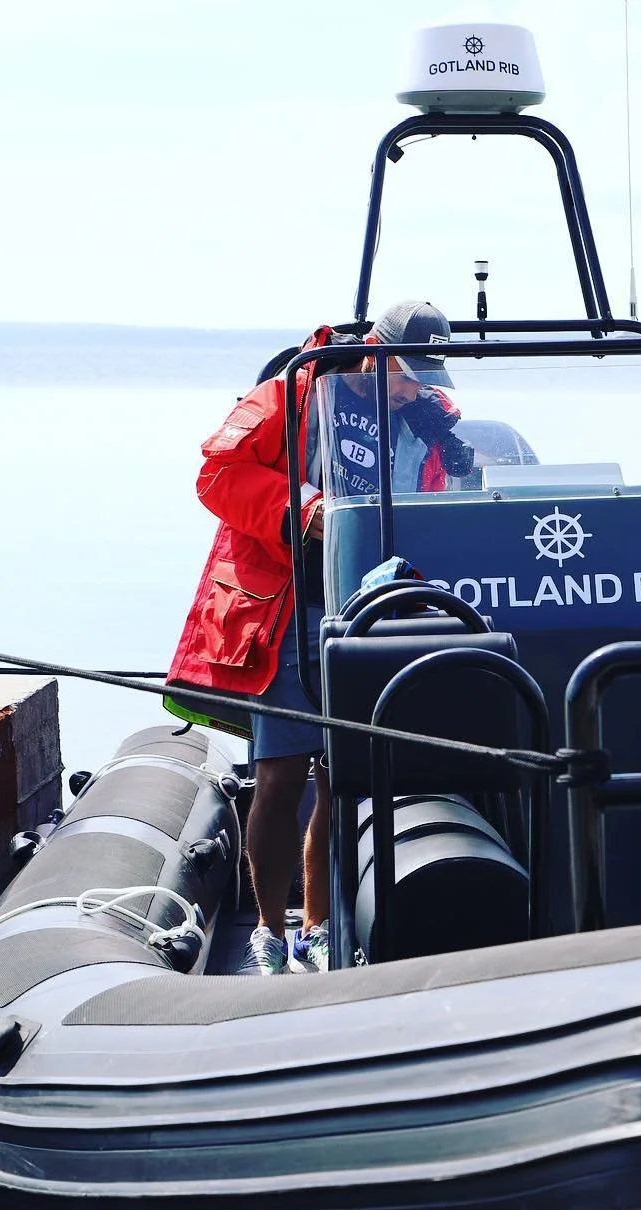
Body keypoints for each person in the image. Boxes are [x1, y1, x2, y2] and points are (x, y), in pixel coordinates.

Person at [164, 300, 468, 975]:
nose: (416, 388)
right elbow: (217, 475)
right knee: (278, 777)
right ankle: (270, 930)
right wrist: (304, 509)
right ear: (372, 353)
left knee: (342, 779)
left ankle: (325, 926)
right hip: (289, 604)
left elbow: (434, 505)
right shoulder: (292, 394)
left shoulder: (426, 421)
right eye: (406, 374)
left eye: (426, 378)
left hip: (371, 605)